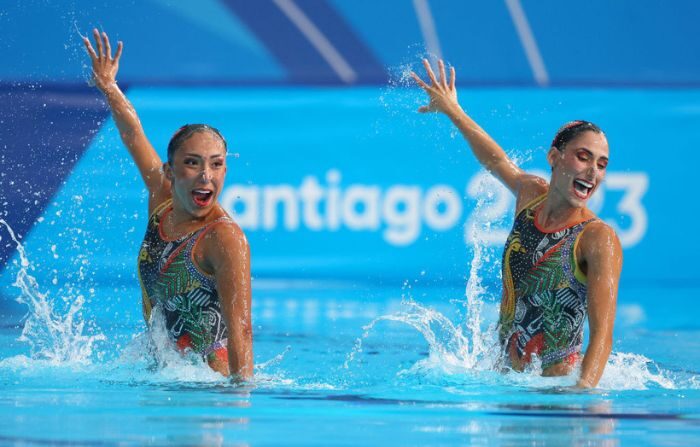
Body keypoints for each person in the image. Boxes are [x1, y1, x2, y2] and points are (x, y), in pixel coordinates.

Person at [412, 59, 622, 388]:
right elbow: (496, 159)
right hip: (506, 383)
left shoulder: (598, 238)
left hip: (556, 394)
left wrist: (582, 397)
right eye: (583, 156)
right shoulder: (530, 195)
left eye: (602, 164)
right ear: (554, 158)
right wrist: (452, 109)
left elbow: (602, 337)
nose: (593, 171)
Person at [82, 29, 253, 380]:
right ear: (170, 171)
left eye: (216, 164)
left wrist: (240, 403)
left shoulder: (224, 238)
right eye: (193, 163)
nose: (206, 175)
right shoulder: (162, 200)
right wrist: (109, 87)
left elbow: (242, 330)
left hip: (210, 390)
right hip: (165, 376)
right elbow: (133, 134)